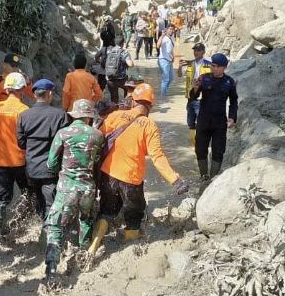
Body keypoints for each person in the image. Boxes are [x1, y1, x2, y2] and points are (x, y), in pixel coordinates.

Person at [87, 84, 188, 260]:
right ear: (151, 105)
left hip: (107, 173)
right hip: (131, 179)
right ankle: (129, 249)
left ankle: (94, 245)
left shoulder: (115, 116)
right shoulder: (150, 126)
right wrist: (175, 180)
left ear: (133, 101)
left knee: (106, 211)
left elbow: (97, 138)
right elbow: (157, 157)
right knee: (134, 215)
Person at [43, 99, 105, 279]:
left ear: (75, 115)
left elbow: (51, 163)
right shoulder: (98, 135)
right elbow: (97, 162)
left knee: (56, 226)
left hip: (67, 188)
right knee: (85, 220)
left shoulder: (63, 133)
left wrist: (60, 172)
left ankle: (52, 268)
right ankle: (83, 255)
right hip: (88, 188)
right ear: (89, 117)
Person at [17, 79, 68, 220]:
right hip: (50, 169)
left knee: (38, 200)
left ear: (34, 95)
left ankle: (41, 224)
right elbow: (65, 144)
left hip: (31, 167)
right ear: (50, 93)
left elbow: (21, 143)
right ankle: (47, 232)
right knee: (51, 203)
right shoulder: (59, 115)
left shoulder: (24, 115)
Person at [0, 72, 30, 237]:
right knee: (28, 191)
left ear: (6, 90)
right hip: (20, 160)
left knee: (2, 198)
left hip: (1, 159)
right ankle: (25, 217)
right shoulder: (24, 110)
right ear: (21, 90)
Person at [189, 53, 238, 180]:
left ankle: (213, 178)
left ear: (224, 68)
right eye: (212, 65)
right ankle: (203, 176)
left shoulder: (229, 82)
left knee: (218, 151)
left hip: (219, 123)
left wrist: (232, 118)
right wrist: (194, 89)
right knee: (200, 149)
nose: (214, 68)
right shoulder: (204, 78)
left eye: (217, 66)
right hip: (203, 121)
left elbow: (233, 101)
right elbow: (193, 97)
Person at [178, 42, 212, 147]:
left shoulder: (209, 65)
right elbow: (179, 75)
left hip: (202, 98)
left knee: (201, 121)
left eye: (198, 50)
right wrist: (179, 67)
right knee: (190, 122)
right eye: (194, 50)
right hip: (191, 97)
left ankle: (202, 143)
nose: (196, 52)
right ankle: (194, 144)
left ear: (203, 52)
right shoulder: (189, 64)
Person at [101, 36, 134, 104]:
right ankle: (126, 104)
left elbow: (102, 61)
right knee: (129, 89)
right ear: (123, 43)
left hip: (110, 79)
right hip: (122, 80)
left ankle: (114, 109)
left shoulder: (109, 51)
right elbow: (130, 64)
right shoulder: (124, 52)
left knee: (114, 99)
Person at [156, 24, 177, 97]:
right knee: (165, 79)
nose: (172, 31)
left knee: (171, 78)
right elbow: (158, 46)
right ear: (167, 30)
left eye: (173, 29)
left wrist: (173, 57)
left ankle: (164, 92)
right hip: (163, 60)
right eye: (170, 29)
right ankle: (163, 96)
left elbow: (170, 49)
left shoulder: (172, 38)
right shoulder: (164, 38)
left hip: (169, 60)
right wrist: (161, 36)